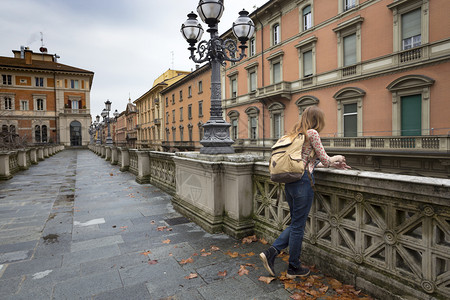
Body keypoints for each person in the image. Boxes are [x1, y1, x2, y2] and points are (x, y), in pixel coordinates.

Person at [260, 106, 350, 279]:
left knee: (295, 223)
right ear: (318, 119)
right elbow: (325, 159)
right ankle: (288, 263)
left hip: (290, 183)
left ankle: (278, 256)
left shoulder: (296, 134)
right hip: (303, 183)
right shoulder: (313, 133)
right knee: (298, 226)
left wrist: (332, 163)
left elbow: (312, 162)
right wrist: (337, 158)